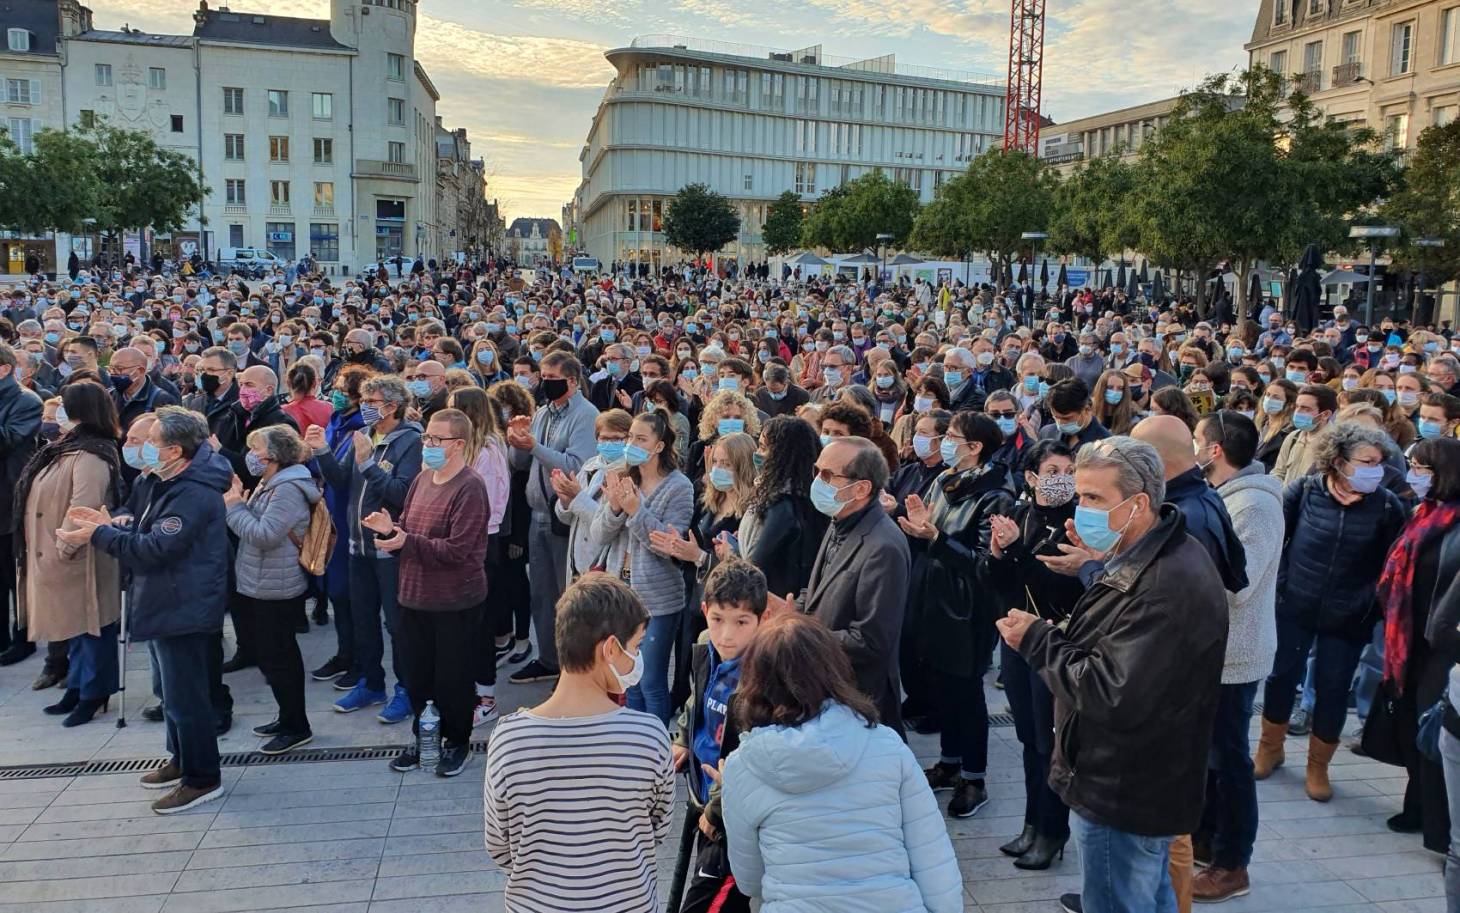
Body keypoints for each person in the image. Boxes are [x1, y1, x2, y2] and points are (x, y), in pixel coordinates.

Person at [997, 436, 1228, 913]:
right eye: (1081, 495)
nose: (1080, 508)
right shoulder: (1152, 555)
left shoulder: (1164, 583)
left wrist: (1038, 639)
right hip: (1136, 777)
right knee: (1149, 894)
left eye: (1094, 498)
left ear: (1138, 503)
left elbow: (1110, 691)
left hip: (1123, 787)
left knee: (1119, 900)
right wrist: (1102, 564)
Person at [719, 613, 963, 913]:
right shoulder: (886, 744)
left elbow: (749, 881)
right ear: (833, 668)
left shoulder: (742, 767)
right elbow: (933, 860)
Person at [69, 406, 233, 815]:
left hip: (184, 604)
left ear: (175, 450)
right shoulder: (159, 480)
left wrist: (100, 535)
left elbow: (156, 549)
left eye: (150, 443)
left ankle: (202, 777)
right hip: (162, 601)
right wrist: (112, 524)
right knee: (170, 695)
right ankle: (179, 758)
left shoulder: (193, 492)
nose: (138, 450)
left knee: (188, 698)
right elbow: (142, 528)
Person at [484, 574, 675, 912]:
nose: (637, 657)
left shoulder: (507, 739)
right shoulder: (649, 736)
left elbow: (500, 846)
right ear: (611, 649)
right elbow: (657, 828)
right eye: (637, 646)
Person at [1255, 423, 1406, 802]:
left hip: (1349, 616)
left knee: (1334, 689)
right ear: (1339, 461)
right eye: (1367, 461)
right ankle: (1269, 748)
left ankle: (1317, 766)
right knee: (1280, 677)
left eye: (1380, 462)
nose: (1376, 469)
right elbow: (1278, 540)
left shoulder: (1387, 505)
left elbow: (1392, 566)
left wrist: (1369, 602)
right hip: (1295, 604)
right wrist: (1283, 585)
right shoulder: (1305, 491)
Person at [362, 408, 490, 777]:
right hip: (413, 596)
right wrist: (390, 530)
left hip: (454, 600)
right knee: (417, 676)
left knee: (453, 678)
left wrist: (406, 541)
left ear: (459, 445)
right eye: (427, 438)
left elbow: (457, 550)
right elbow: (409, 527)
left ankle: (457, 743)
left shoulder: (470, 487)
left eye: (437, 440)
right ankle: (424, 737)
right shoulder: (421, 479)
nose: (429, 445)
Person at [900, 411, 1015, 818]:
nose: (944, 442)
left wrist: (936, 538)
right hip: (933, 600)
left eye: (951, 436)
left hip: (967, 611)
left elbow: (986, 564)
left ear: (975, 446)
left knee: (967, 696)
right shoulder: (945, 481)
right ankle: (949, 763)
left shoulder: (995, 494)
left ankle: (974, 776)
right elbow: (930, 531)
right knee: (943, 689)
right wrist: (919, 529)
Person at [1190, 411, 1284, 902]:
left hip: (1235, 653)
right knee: (1210, 757)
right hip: (1211, 650)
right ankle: (1208, 844)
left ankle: (1233, 864)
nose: (1191, 446)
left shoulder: (1255, 505)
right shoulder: (1223, 496)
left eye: (1197, 439)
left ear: (1215, 450)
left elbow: (1238, 586)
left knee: (1229, 760)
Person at [985, 440, 1082, 870]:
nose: (1061, 477)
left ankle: (1053, 831)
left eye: (1068, 469)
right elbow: (1002, 583)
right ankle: (1031, 823)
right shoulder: (1021, 514)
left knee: (1050, 743)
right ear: (1031, 477)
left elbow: (1055, 588)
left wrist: (1018, 551)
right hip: (1018, 640)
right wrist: (997, 554)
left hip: (1053, 641)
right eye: (1052, 469)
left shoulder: (1077, 524)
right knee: (1028, 739)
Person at [308, 374, 423, 721]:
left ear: (393, 405)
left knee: (398, 624)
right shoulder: (365, 435)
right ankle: (372, 682)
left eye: (372, 402)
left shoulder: (411, 442)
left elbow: (402, 493)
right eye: (364, 399)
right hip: (357, 546)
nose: (365, 406)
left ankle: (407, 689)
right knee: (363, 619)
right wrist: (322, 451)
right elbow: (342, 480)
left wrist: (369, 464)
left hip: (389, 549)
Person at [15, 381, 123, 727]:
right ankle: (77, 686)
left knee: (91, 627)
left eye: (64, 404)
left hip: (77, 554)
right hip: (56, 554)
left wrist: (64, 546)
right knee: (74, 629)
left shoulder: (91, 454)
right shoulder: (64, 448)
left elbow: (83, 506)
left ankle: (94, 692)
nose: (57, 410)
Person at [1379, 437, 1460, 854]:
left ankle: (1444, 832)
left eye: (1422, 469)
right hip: (1409, 639)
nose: (1414, 475)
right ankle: (1417, 809)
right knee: (1413, 727)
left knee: (1436, 733)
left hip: (1445, 646)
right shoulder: (1421, 513)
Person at [670, 558, 766, 913]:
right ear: (705, 610)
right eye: (718, 620)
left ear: (761, 618)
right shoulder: (704, 644)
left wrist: (717, 808)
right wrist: (682, 736)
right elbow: (697, 701)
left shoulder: (763, 676)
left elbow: (756, 758)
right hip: (704, 798)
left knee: (705, 903)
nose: (727, 634)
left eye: (742, 622)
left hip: (732, 816)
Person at [800, 436, 911, 733]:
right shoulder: (840, 519)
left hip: (858, 698)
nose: (817, 482)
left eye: (827, 475)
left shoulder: (883, 546)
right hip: (827, 687)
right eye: (816, 471)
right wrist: (789, 609)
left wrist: (801, 632)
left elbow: (871, 641)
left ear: (861, 488)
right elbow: (821, 591)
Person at [591, 410, 694, 723]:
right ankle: (634, 742)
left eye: (640, 439)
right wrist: (615, 507)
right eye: (630, 437)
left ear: (659, 446)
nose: (631, 444)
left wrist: (637, 510)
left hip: (658, 600)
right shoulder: (622, 476)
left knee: (650, 680)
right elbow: (599, 534)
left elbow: (666, 545)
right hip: (621, 596)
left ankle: (657, 745)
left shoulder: (679, 487)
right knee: (628, 680)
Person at [224, 424, 321, 755]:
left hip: (276, 586)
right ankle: (286, 716)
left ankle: (297, 725)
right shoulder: (272, 483)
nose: (251, 455)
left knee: (280, 657)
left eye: (257, 449)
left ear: (274, 455)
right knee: (272, 655)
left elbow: (265, 535)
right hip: (262, 581)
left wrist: (234, 506)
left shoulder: (288, 489)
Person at [506, 351, 599, 685]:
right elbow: (521, 463)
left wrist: (534, 447)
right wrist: (517, 441)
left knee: (567, 594)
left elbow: (577, 465)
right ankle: (548, 658)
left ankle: (575, 665)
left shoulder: (586, 416)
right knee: (542, 594)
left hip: (565, 516)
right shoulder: (543, 412)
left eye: (551, 377)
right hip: (538, 516)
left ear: (571, 381)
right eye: (542, 377)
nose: (544, 383)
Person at [739, 415, 827, 600]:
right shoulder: (804, 495)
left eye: (764, 448)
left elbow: (758, 562)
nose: (758, 453)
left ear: (782, 455)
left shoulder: (783, 505)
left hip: (776, 601)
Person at [0, 343, 44, 667]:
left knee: (16, 574)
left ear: (5, 369)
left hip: (9, 498)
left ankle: (23, 636)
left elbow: (8, 441)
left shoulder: (26, 401)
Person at [1270, 383, 1337, 485]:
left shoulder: (1334, 445)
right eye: (1297, 406)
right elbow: (1279, 472)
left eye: (1306, 409)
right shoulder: (1293, 437)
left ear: (1325, 414)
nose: (1297, 412)